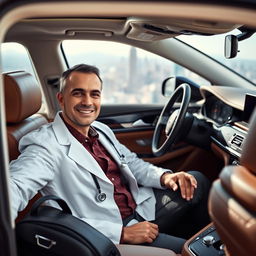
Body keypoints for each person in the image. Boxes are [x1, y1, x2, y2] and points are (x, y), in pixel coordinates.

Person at [10, 64, 210, 254]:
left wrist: (165, 177)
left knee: (196, 181)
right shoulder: (45, 145)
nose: (88, 102)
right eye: (78, 93)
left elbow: (131, 163)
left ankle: (199, 237)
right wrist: (121, 234)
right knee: (198, 251)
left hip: (140, 205)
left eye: (94, 94)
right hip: (110, 230)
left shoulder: (101, 130)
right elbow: (15, 186)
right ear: (61, 99)